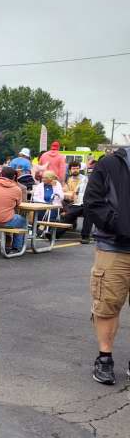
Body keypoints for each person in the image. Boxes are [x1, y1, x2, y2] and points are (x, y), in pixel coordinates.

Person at [83, 145, 130, 385]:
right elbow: (93, 201)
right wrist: (119, 224)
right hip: (114, 247)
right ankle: (104, 358)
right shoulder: (111, 163)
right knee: (107, 304)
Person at [58, 162, 93, 243]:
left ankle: (85, 236)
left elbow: (81, 192)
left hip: (83, 202)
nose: (76, 170)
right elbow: (65, 191)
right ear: (70, 170)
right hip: (71, 202)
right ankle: (55, 234)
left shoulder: (84, 179)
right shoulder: (68, 179)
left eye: (77, 168)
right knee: (68, 212)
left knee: (88, 213)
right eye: (73, 168)